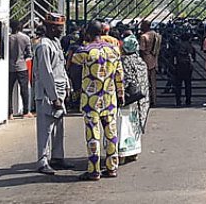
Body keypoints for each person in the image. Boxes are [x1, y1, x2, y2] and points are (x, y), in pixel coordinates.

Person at [72, 20, 125, 181]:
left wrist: (76, 91)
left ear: (87, 33)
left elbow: (73, 65)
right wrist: (121, 93)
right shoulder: (114, 50)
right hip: (109, 98)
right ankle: (112, 167)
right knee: (111, 133)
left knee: (92, 134)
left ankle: (94, 170)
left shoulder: (85, 51)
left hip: (90, 100)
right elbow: (119, 74)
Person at [33, 13, 73, 175]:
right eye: (58, 27)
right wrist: (54, 97)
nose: (61, 30)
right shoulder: (43, 46)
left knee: (58, 127)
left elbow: (60, 67)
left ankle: (57, 157)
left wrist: (67, 86)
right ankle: (42, 161)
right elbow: (46, 73)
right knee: (46, 128)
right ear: (50, 27)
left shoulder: (55, 43)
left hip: (59, 90)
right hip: (47, 94)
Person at [119, 34, 150, 164]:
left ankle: (123, 154)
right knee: (135, 125)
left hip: (128, 100)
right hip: (140, 101)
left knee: (124, 125)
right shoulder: (141, 61)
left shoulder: (124, 61)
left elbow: (125, 81)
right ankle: (134, 152)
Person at [9, 19, 33, 119]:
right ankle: (26, 112)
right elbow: (29, 54)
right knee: (24, 90)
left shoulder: (7, 38)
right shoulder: (26, 38)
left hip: (10, 67)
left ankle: (9, 113)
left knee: (8, 90)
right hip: (22, 67)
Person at [139, 20, 162, 106]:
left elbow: (142, 49)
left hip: (146, 59)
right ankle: (154, 99)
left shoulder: (143, 37)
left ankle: (147, 99)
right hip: (154, 58)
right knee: (153, 81)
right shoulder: (156, 35)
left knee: (145, 81)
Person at [171, 32, 196, 106]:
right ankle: (188, 100)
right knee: (188, 84)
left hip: (178, 66)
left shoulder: (177, 46)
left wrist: (173, 65)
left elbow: (172, 56)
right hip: (188, 66)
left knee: (178, 84)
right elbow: (194, 58)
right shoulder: (190, 46)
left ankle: (178, 100)